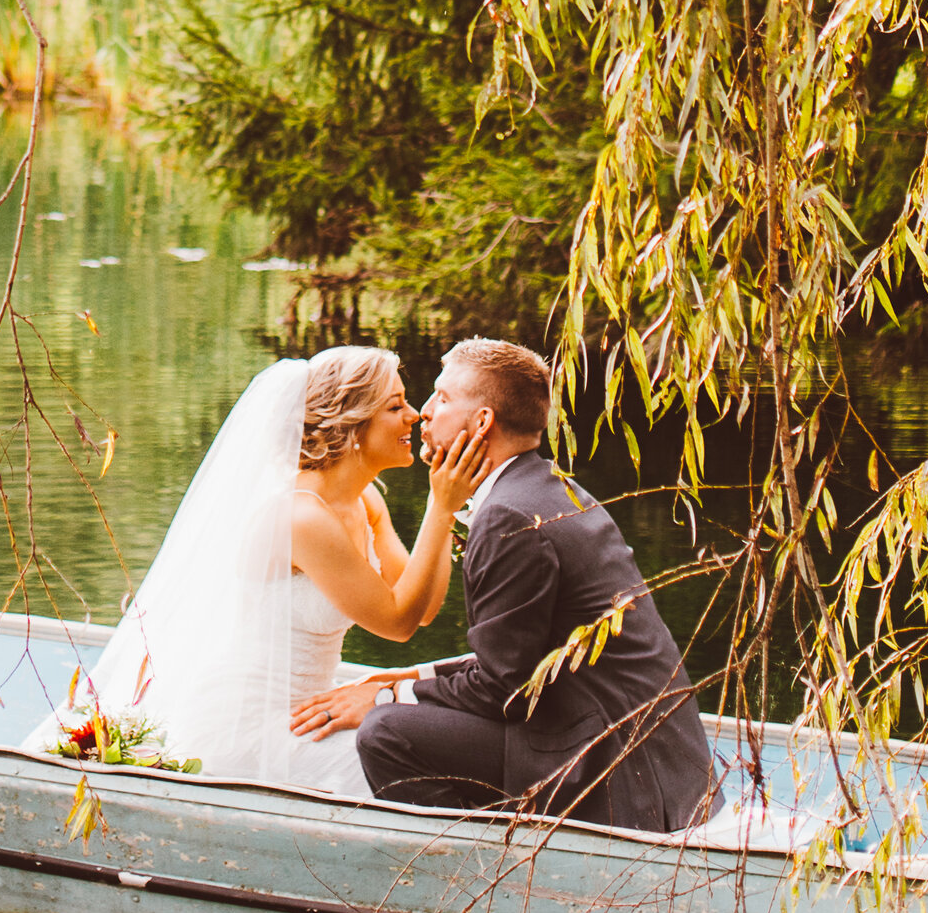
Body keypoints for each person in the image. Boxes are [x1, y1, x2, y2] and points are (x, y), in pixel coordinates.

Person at [350, 336, 719, 832]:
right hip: (659, 761)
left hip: (621, 777)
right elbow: (519, 660)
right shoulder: (553, 488)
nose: (425, 413)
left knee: (386, 733)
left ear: (481, 422)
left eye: (442, 397)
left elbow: (506, 690)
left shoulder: (508, 515)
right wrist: (407, 678)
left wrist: (387, 698)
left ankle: (479, 872)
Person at [90, 347, 496, 792]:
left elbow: (421, 610)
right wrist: (440, 505)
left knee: (429, 743)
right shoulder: (301, 517)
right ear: (351, 425)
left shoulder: (363, 500)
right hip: (248, 728)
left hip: (310, 711)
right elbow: (396, 623)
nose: (415, 416)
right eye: (395, 406)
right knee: (415, 758)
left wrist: (444, 507)